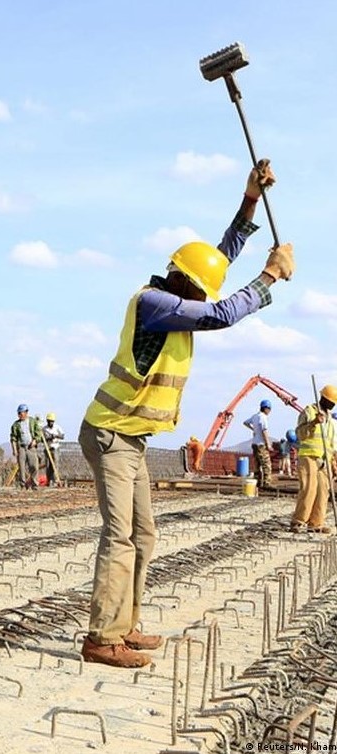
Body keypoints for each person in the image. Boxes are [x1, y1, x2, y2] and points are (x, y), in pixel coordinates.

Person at [77, 160, 294, 668]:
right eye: (201, 290)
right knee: (121, 534)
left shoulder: (180, 289)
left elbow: (217, 259)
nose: (205, 296)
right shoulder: (155, 303)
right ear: (185, 284)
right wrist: (268, 280)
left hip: (131, 439)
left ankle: (124, 626)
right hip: (109, 434)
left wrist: (249, 202)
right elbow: (220, 313)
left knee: (144, 534)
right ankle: (101, 637)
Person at [290, 385, 337, 534]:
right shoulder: (309, 411)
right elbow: (300, 434)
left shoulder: (331, 420)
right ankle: (298, 522)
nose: (331, 405)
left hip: (324, 460)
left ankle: (316, 523)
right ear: (322, 398)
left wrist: (334, 462)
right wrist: (314, 423)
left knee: (323, 491)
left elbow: (332, 444)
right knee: (309, 488)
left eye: (333, 403)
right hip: (308, 456)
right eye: (329, 401)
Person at [243, 399, 274, 489]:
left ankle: (257, 483)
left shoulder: (255, 416)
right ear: (266, 409)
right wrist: (268, 444)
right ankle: (266, 484)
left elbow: (245, 423)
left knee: (257, 465)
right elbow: (264, 431)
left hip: (254, 444)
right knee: (266, 464)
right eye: (269, 409)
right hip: (261, 444)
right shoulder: (263, 417)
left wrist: (253, 429)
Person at [10, 404, 41, 489]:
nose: (20, 415)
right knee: (22, 467)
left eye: (21, 413)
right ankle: (22, 485)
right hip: (21, 448)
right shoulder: (15, 425)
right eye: (19, 413)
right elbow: (13, 438)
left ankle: (35, 484)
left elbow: (38, 434)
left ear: (26, 412)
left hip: (31, 447)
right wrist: (14, 449)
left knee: (34, 466)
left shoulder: (32, 421)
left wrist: (35, 441)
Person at [41, 412, 65, 486]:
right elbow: (41, 439)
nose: (50, 423)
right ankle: (49, 481)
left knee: (55, 465)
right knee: (48, 465)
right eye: (49, 421)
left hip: (55, 448)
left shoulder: (57, 427)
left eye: (52, 421)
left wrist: (55, 436)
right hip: (47, 448)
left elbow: (62, 436)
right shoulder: (44, 429)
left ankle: (55, 480)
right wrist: (47, 438)